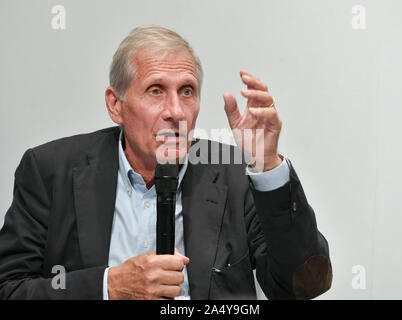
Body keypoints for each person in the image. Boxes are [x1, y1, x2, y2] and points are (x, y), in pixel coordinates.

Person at [0, 26, 332, 300]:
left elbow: (302, 285)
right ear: (116, 105)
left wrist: (268, 165)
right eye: (156, 91)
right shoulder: (49, 170)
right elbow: (9, 288)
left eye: (187, 91)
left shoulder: (235, 173)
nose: (175, 111)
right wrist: (108, 287)